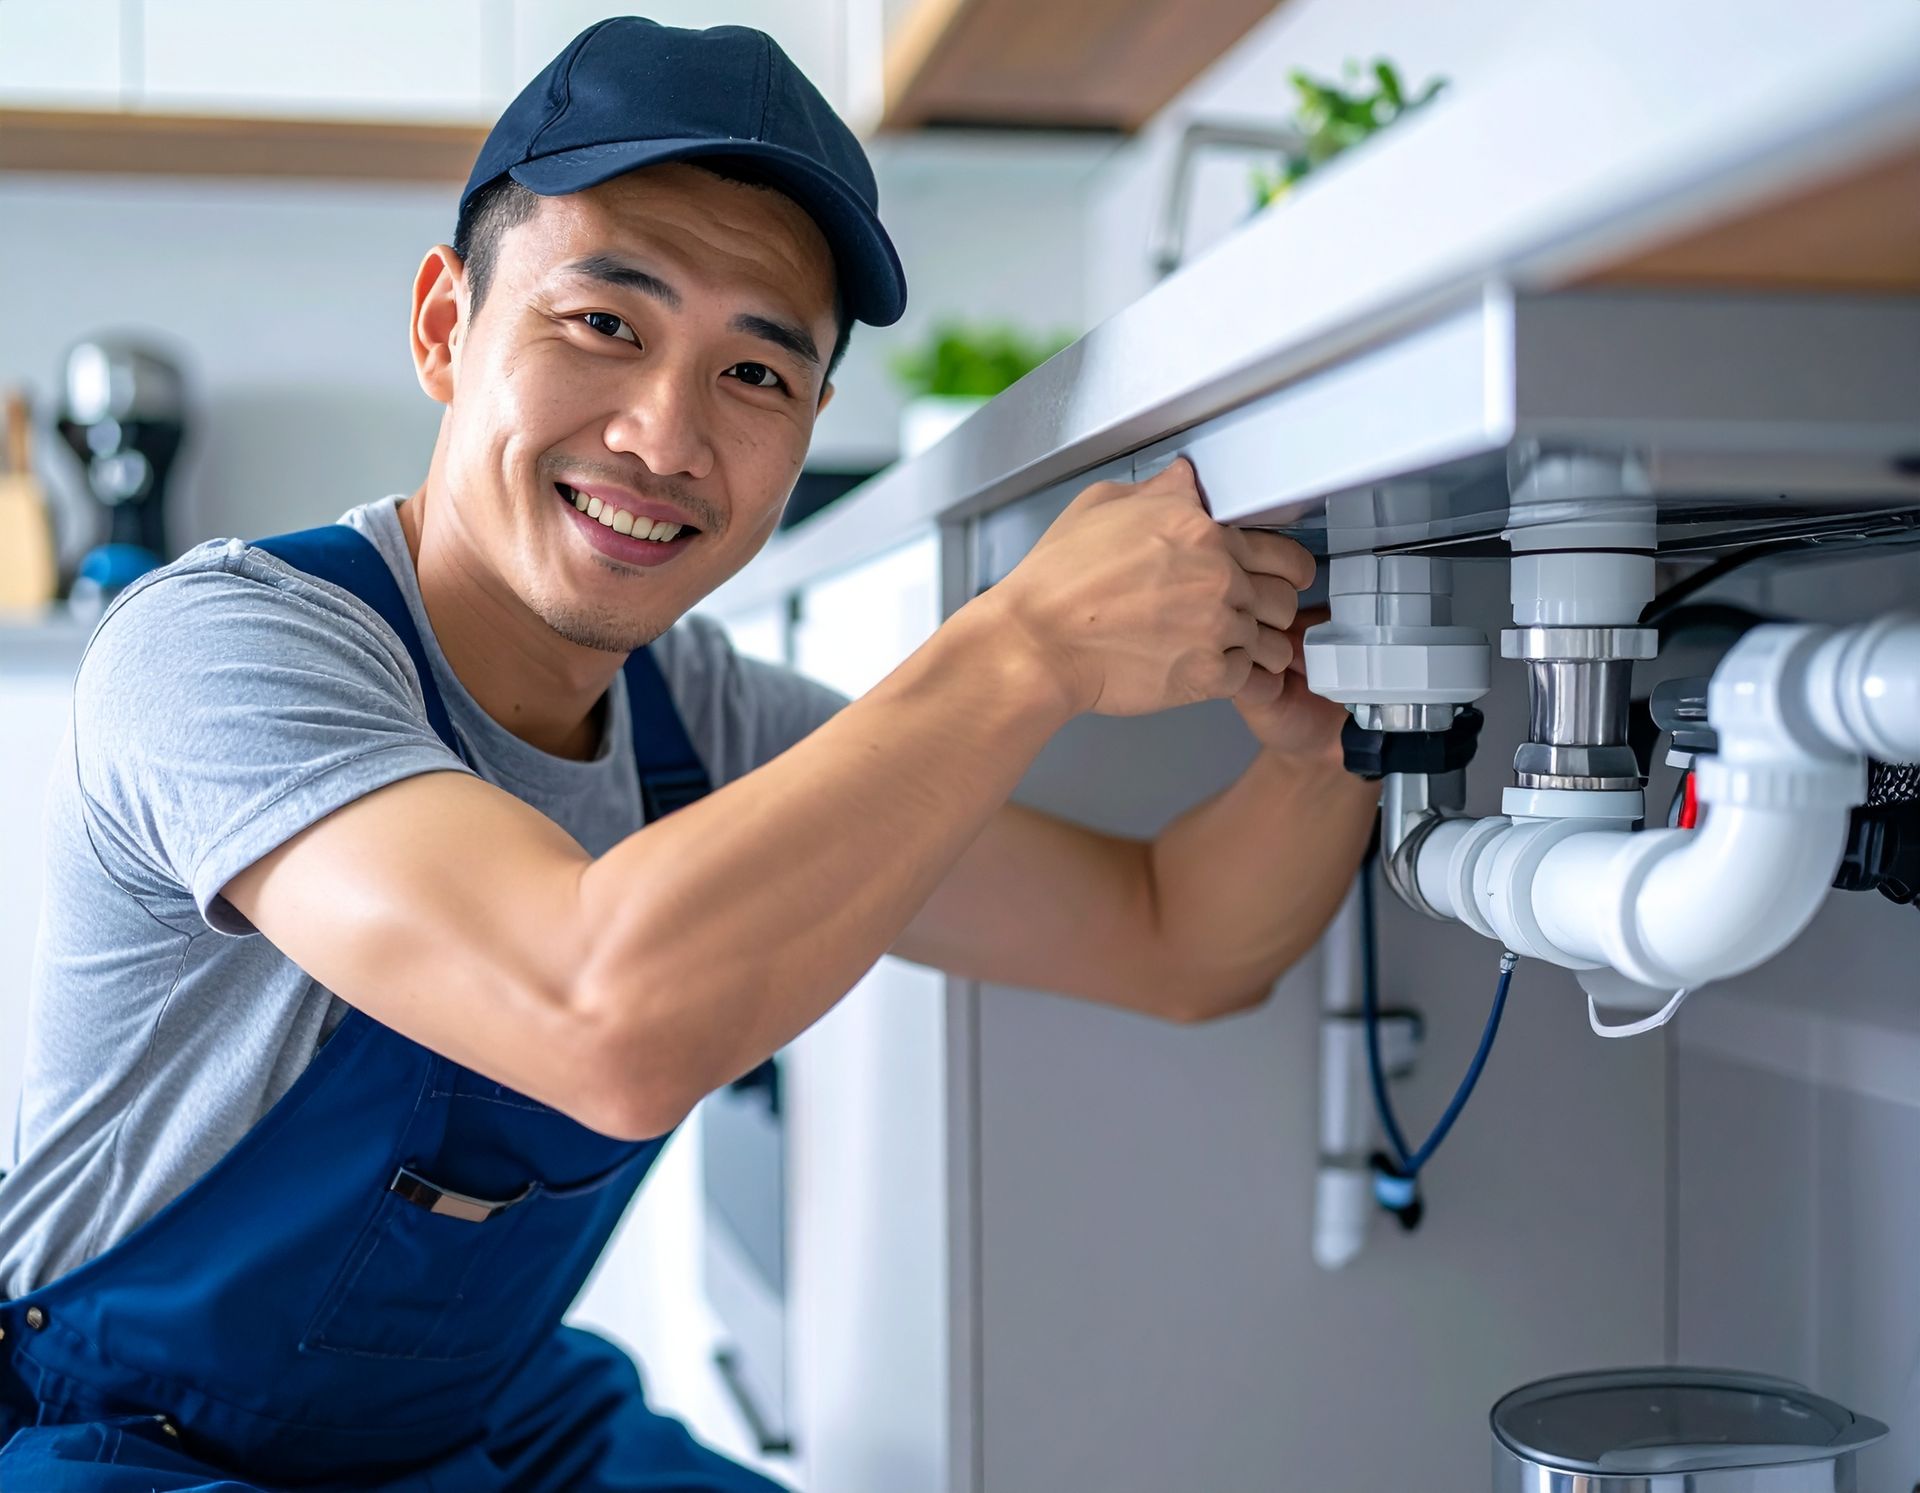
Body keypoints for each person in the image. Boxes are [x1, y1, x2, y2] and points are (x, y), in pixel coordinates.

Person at [0, 16, 1376, 1491]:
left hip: (482, 1430)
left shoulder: (691, 720)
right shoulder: (222, 648)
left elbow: (1180, 940)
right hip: (130, 1443)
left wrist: (1324, 750)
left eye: (756, 375)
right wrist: (1021, 643)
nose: (665, 437)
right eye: (606, 323)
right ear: (445, 327)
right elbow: (600, 1013)